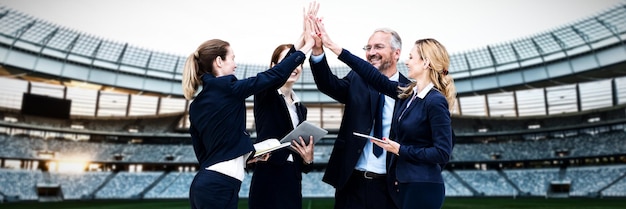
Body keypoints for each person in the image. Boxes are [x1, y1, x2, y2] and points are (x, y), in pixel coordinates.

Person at [181, 5, 317, 208]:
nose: (235, 64)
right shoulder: (228, 87)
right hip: (220, 186)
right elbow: (275, 75)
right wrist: (307, 46)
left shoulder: (198, 103)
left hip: (207, 183)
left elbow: (203, 152)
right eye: (232, 58)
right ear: (219, 61)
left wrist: (244, 157)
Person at [314, 19, 456, 209]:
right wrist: (329, 47)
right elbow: (369, 76)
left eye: (412, 57)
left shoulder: (428, 98)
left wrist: (405, 159)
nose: (407, 60)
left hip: (399, 186)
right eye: (368, 47)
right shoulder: (407, 93)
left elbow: (443, 148)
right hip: (353, 184)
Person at [309, 22, 408, 209]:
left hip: (390, 187)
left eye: (378, 46)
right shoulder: (357, 79)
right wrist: (317, 52)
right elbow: (328, 85)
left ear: (397, 53)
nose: (371, 52)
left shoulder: (408, 90)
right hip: (351, 184)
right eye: (368, 47)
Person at [248, 43, 316, 209]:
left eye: (298, 64)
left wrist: (308, 160)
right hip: (268, 179)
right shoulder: (265, 93)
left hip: (292, 180)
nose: (295, 66)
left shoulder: (301, 108)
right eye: (289, 61)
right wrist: (305, 40)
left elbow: (300, 154)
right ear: (273, 67)